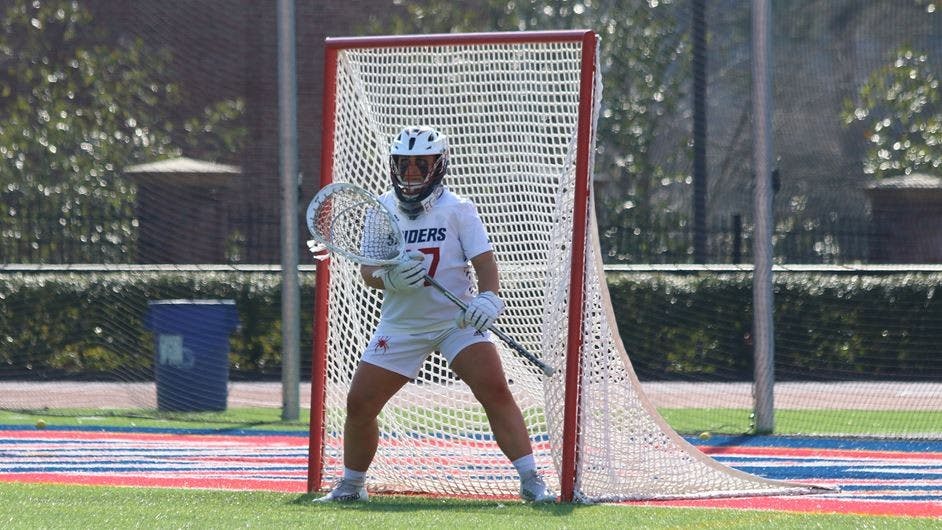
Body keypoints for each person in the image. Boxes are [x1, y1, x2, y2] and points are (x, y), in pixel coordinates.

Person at [313, 125, 556, 504]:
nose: (410, 172)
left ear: (438, 165)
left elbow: (485, 263)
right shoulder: (382, 210)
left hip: (455, 322)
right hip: (402, 325)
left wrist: (489, 299)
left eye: (420, 164)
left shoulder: (458, 210)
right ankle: (351, 485)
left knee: (494, 389)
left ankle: (531, 479)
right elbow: (368, 273)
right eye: (403, 164)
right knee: (360, 403)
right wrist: (391, 277)